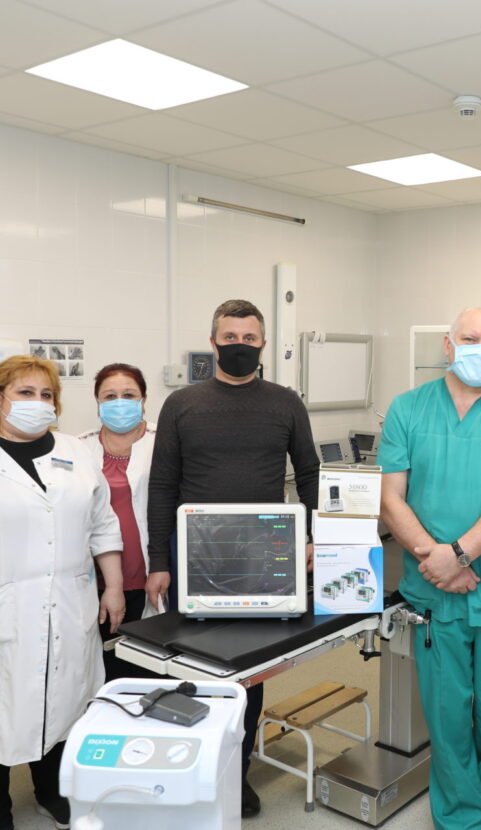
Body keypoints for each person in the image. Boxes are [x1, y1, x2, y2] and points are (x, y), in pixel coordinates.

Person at [146, 299, 319, 819]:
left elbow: (310, 473)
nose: (238, 346)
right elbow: (163, 484)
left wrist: (314, 536)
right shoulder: (182, 403)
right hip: (193, 556)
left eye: (248, 338)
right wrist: (158, 559)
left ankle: (236, 773)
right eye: (229, 337)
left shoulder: (285, 403)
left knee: (248, 667)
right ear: (213, 341)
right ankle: (192, 769)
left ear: (262, 344)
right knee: (194, 662)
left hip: (263, 556)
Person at [378, 307, 481, 830]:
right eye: (471, 339)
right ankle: (460, 816)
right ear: (448, 346)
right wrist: (437, 559)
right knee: (447, 710)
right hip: (434, 589)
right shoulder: (408, 408)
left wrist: (459, 555)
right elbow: (390, 498)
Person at [0, 356, 124, 830]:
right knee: (6, 703)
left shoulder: (75, 450)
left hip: (71, 602)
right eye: (24, 393)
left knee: (65, 701)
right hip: (10, 604)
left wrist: (114, 587)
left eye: (46, 394)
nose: (38, 402)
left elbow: (103, 522)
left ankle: (52, 790)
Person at [78, 363, 158, 680]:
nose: (119, 402)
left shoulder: (164, 441)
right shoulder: (79, 447)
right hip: (97, 578)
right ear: (97, 402)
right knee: (107, 668)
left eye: (129, 395)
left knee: (153, 667)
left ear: (144, 400)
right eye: (110, 396)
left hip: (152, 573)